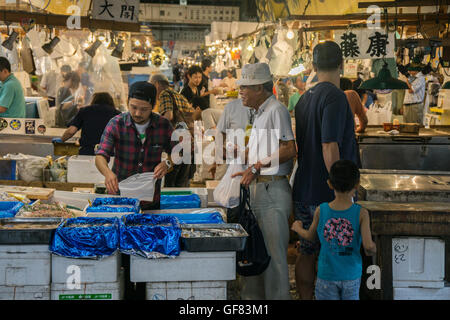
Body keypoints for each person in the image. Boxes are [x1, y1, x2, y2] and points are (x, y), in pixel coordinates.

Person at [292, 41, 359, 300]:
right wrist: (341, 190)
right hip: (327, 192)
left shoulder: (303, 99)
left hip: (304, 188)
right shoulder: (335, 96)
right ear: (342, 64)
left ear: (313, 66)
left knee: (306, 250)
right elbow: (329, 145)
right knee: (335, 252)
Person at [232, 62, 297, 300]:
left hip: (272, 190)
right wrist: (242, 154)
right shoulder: (260, 113)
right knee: (255, 254)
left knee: (274, 258)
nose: (240, 92)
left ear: (260, 87)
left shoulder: (276, 110)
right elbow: (264, 151)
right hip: (259, 190)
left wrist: (258, 166)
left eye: (245, 87)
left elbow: (289, 149)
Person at [291, 160, 376, 300]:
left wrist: (298, 228)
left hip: (327, 275)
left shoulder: (321, 210)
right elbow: (368, 246)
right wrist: (375, 249)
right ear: (357, 184)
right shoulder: (361, 213)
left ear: (329, 184)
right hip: (351, 275)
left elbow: (310, 236)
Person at [95, 81, 174, 210]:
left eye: (144, 109)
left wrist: (167, 163)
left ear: (153, 106)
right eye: (133, 107)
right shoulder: (116, 124)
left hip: (150, 200)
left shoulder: (163, 125)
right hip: (119, 198)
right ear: (127, 102)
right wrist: (107, 173)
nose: (137, 113)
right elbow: (100, 155)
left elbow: (178, 152)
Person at [150, 73, 194, 188]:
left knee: (170, 184)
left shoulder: (164, 94)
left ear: (157, 84)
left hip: (176, 144)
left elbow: (168, 116)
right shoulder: (179, 96)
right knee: (182, 184)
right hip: (189, 143)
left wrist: (153, 127)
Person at [214, 97, 253, 222]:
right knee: (236, 207)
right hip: (236, 168)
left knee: (253, 213)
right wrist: (222, 151)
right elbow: (220, 132)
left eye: (245, 87)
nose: (242, 91)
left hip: (258, 170)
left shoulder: (266, 110)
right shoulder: (232, 107)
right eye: (241, 87)